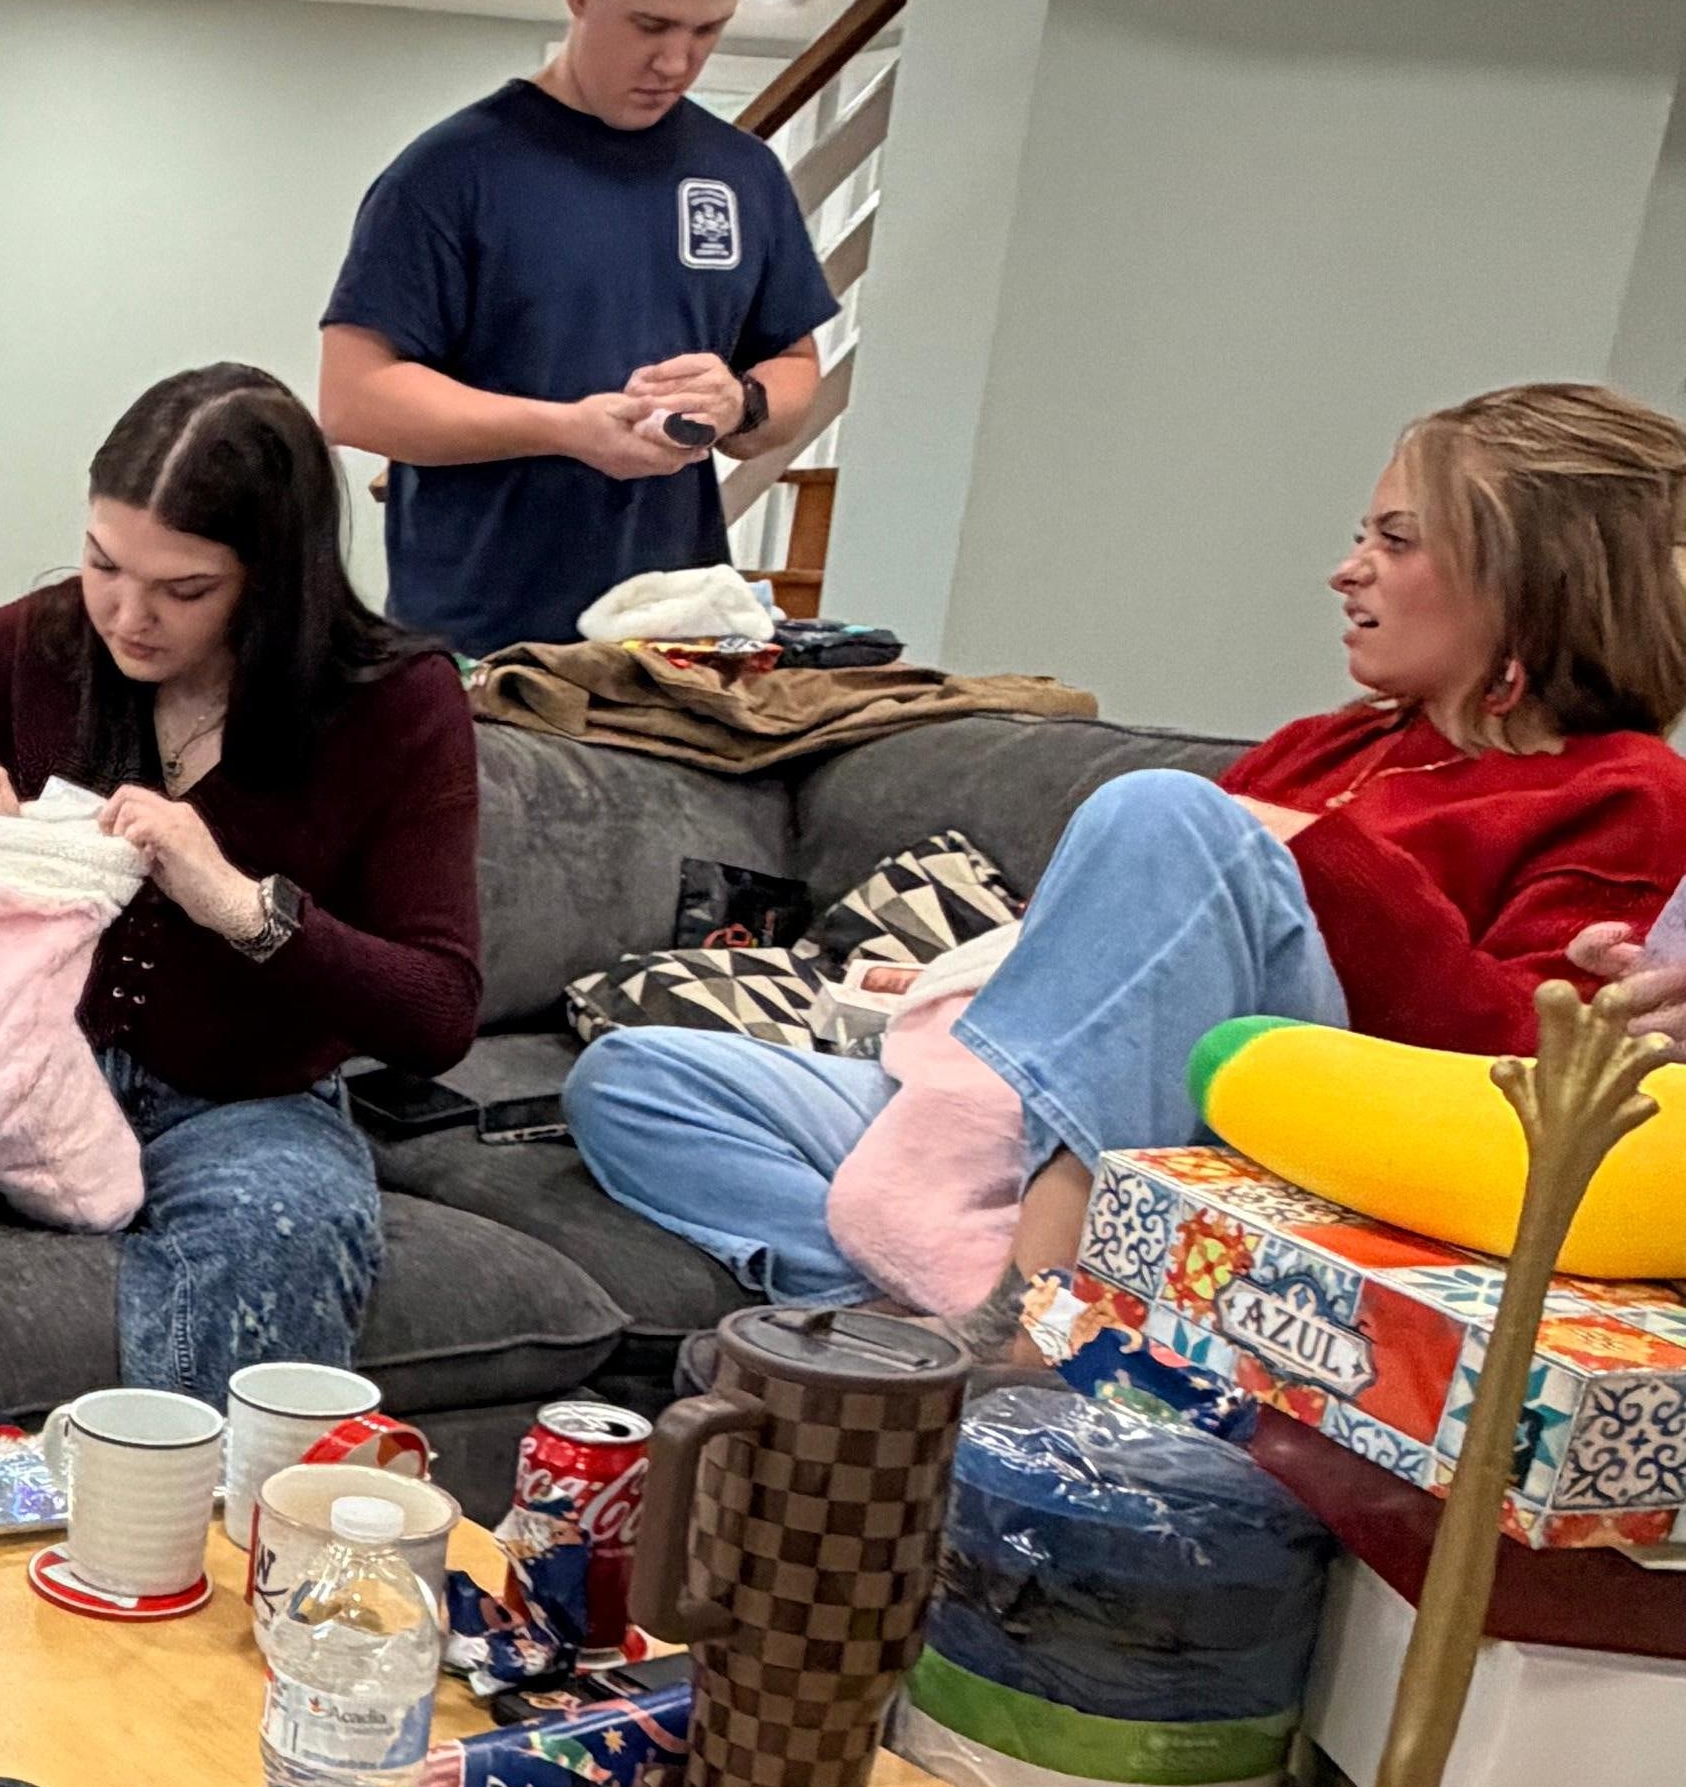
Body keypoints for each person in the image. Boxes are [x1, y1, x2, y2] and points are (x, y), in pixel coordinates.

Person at [565, 381, 1686, 1316]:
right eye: (1363, 535)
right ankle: (944, 1318)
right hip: (1051, 1119)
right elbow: (1129, 971)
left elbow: (1523, 1079)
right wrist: (990, 972)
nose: (1348, 570)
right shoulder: (1322, 745)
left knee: (1159, 812)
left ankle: (1030, 1291)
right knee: (643, 1079)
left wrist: (1322, 855)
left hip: (1276, 1141)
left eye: (1395, 541)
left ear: (1532, 585)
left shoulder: (1624, 791)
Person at [0, 363, 480, 1392]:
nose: (128, 615)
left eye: (185, 590)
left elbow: (439, 1013)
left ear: (277, 581)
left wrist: (242, 907)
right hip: (16, 1081)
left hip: (243, 1110)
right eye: (103, 564)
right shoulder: (54, 641)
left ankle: (176, 1482)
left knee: (288, 1223)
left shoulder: (394, 704)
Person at [317, 0, 837, 659]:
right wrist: (565, 429)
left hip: (677, 640)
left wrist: (740, 403)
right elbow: (356, 398)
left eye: (708, 30)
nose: (676, 61)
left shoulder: (742, 175)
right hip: (484, 644)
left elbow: (797, 367)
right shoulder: (453, 172)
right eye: (650, 25)